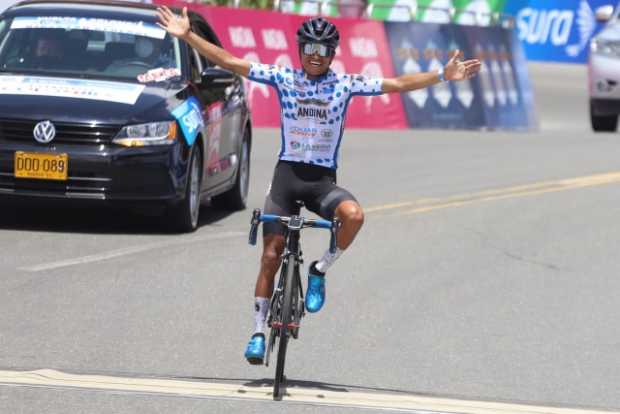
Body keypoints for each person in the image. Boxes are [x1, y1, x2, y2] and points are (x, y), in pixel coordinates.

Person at [157, 6, 481, 365]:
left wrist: (442, 74)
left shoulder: (344, 85)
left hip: (321, 182)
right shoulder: (283, 78)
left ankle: (319, 270)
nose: (315, 55)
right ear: (300, 50)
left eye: (322, 50)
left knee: (354, 216)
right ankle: (258, 332)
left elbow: (397, 84)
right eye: (309, 48)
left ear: (332, 55)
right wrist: (188, 36)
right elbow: (233, 62)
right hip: (286, 180)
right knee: (270, 256)